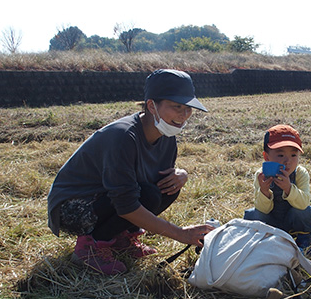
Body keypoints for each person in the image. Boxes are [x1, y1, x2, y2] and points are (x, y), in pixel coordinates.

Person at [47, 69, 215, 275]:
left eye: (188, 108)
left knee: (166, 187)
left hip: (108, 198)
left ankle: (119, 238)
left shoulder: (167, 136)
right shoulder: (123, 136)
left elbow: (151, 182)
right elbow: (126, 205)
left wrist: (182, 174)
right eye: (177, 106)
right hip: (73, 208)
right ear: (152, 105)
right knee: (141, 196)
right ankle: (89, 248)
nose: (184, 114)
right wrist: (180, 234)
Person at [243, 124, 311, 251]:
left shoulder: (300, 173)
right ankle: (262, 241)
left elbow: (303, 203)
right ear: (266, 157)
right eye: (281, 155)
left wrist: (289, 188)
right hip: (271, 222)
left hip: (292, 222)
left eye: (293, 155)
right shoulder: (261, 175)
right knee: (251, 214)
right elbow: (262, 210)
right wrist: (264, 191)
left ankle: (304, 241)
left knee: (304, 211)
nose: (287, 161)